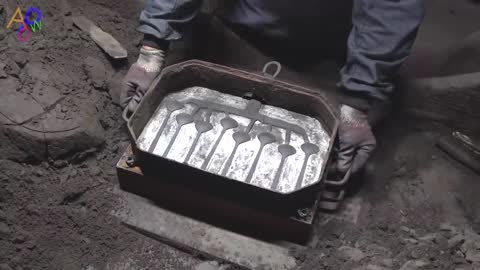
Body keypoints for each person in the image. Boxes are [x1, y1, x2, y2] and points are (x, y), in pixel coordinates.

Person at [121, 0, 425, 177]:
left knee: (331, 149)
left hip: (332, 51)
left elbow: (392, 7)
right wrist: (152, 49)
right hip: (242, 28)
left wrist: (359, 99)